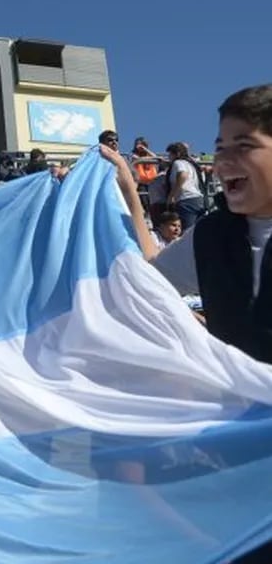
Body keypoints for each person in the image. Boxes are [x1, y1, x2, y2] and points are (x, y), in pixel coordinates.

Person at [150, 87, 272, 562]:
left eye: (244, 146)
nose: (224, 161)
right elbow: (144, 287)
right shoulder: (210, 235)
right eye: (219, 148)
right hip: (238, 456)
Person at [164, 141, 206, 229]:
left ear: (177, 154)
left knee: (187, 233)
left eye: (170, 154)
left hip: (186, 201)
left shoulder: (178, 162)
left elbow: (183, 175)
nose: (169, 157)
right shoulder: (191, 165)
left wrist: (172, 195)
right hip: (198, 199)